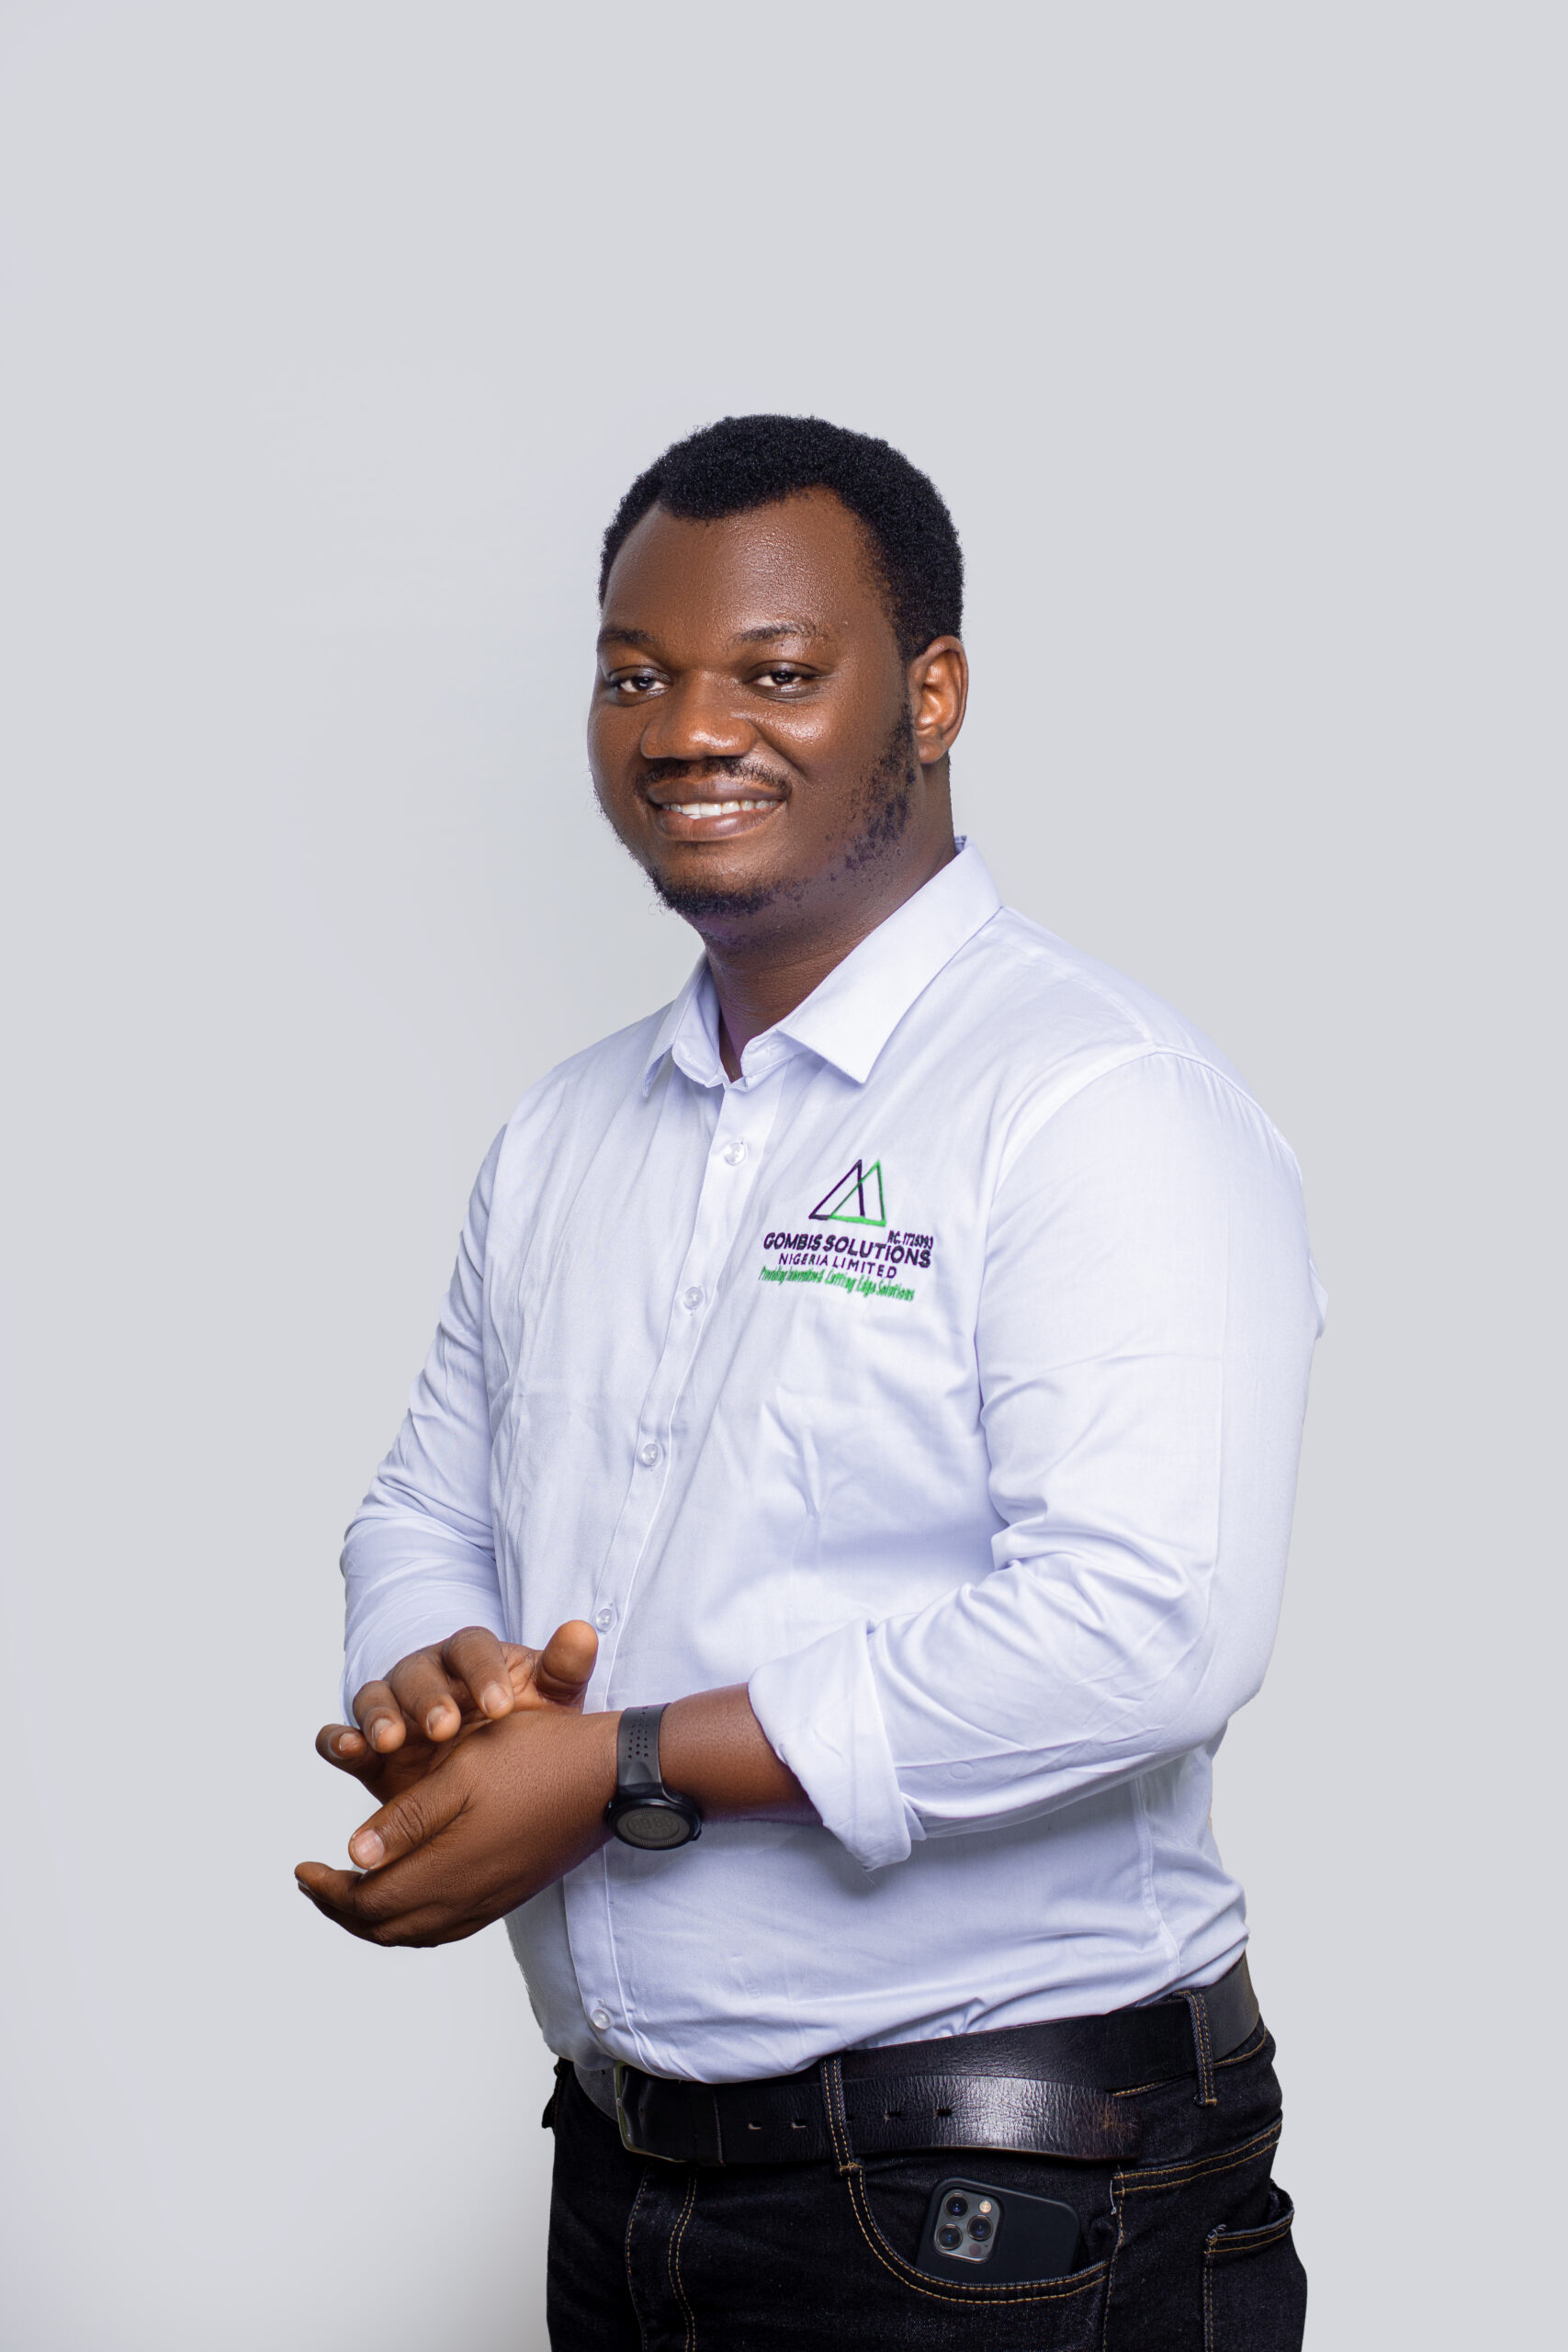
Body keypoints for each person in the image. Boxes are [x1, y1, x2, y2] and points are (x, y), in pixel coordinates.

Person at [297, 414, 1321, 2350]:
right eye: (635, 675)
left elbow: (1145, 1629)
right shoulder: (565, 1132)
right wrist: (443, 1679)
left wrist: (613, 1763)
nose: (690, 729)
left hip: (1008, 2206)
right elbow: (426, 1501)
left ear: (931, 694)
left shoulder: (1094, 1105)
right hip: (626, 2174)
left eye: (772, 672)